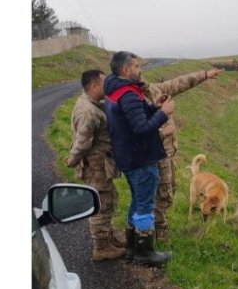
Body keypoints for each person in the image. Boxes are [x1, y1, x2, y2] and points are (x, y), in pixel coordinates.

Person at [103, 51, 175, 267]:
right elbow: (141, 128)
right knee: (145, 204)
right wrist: (164, 114)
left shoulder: (116, 91)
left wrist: (154, 107)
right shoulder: (128, 94)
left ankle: (132, 247)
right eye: (136, 66)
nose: (140, 69)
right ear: (126, 70)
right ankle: (145, 252)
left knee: (136, 200)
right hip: (140, 159)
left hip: (129, 157)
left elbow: (133, 117)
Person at [144, 67, 221, 240]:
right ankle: (156, 235)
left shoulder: (153, 89)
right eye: (135, 67)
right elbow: (137, 132)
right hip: (153, 156)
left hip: (166, 154)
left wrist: (205, 75)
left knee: (168, 191)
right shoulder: (132, 99)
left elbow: (178, 83)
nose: (139, 71)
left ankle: (156, 230)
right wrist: (164, 131)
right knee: (157, 195)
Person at [64, 69, 125, 261]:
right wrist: (72, 160)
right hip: (96, 167)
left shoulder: (90, 104)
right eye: (103, 83)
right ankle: (101, 247)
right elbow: (82, 142)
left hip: (100, 164)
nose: (107, 86)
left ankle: (107, 237)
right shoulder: (89, 112)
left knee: (108, 199)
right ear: (93, 85)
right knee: (102, 204)